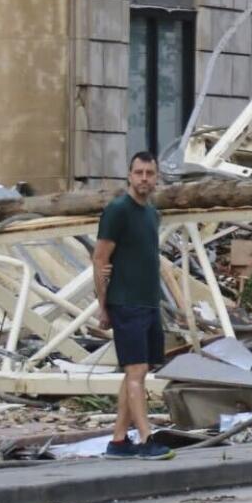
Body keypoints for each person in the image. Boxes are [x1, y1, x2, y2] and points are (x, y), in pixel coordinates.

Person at [95, 151, 173, 460]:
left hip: (148, 302)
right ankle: (145, 438)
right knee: (137, 370)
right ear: (129, 175)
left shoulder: (151, 214)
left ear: (156, 178)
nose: (144, 178)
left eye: (149, 173)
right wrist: (103, 305)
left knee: (136, 372)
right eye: (138, 172)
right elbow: (100, 259)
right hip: (126, 302)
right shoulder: (118, 211)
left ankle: (118, 440)